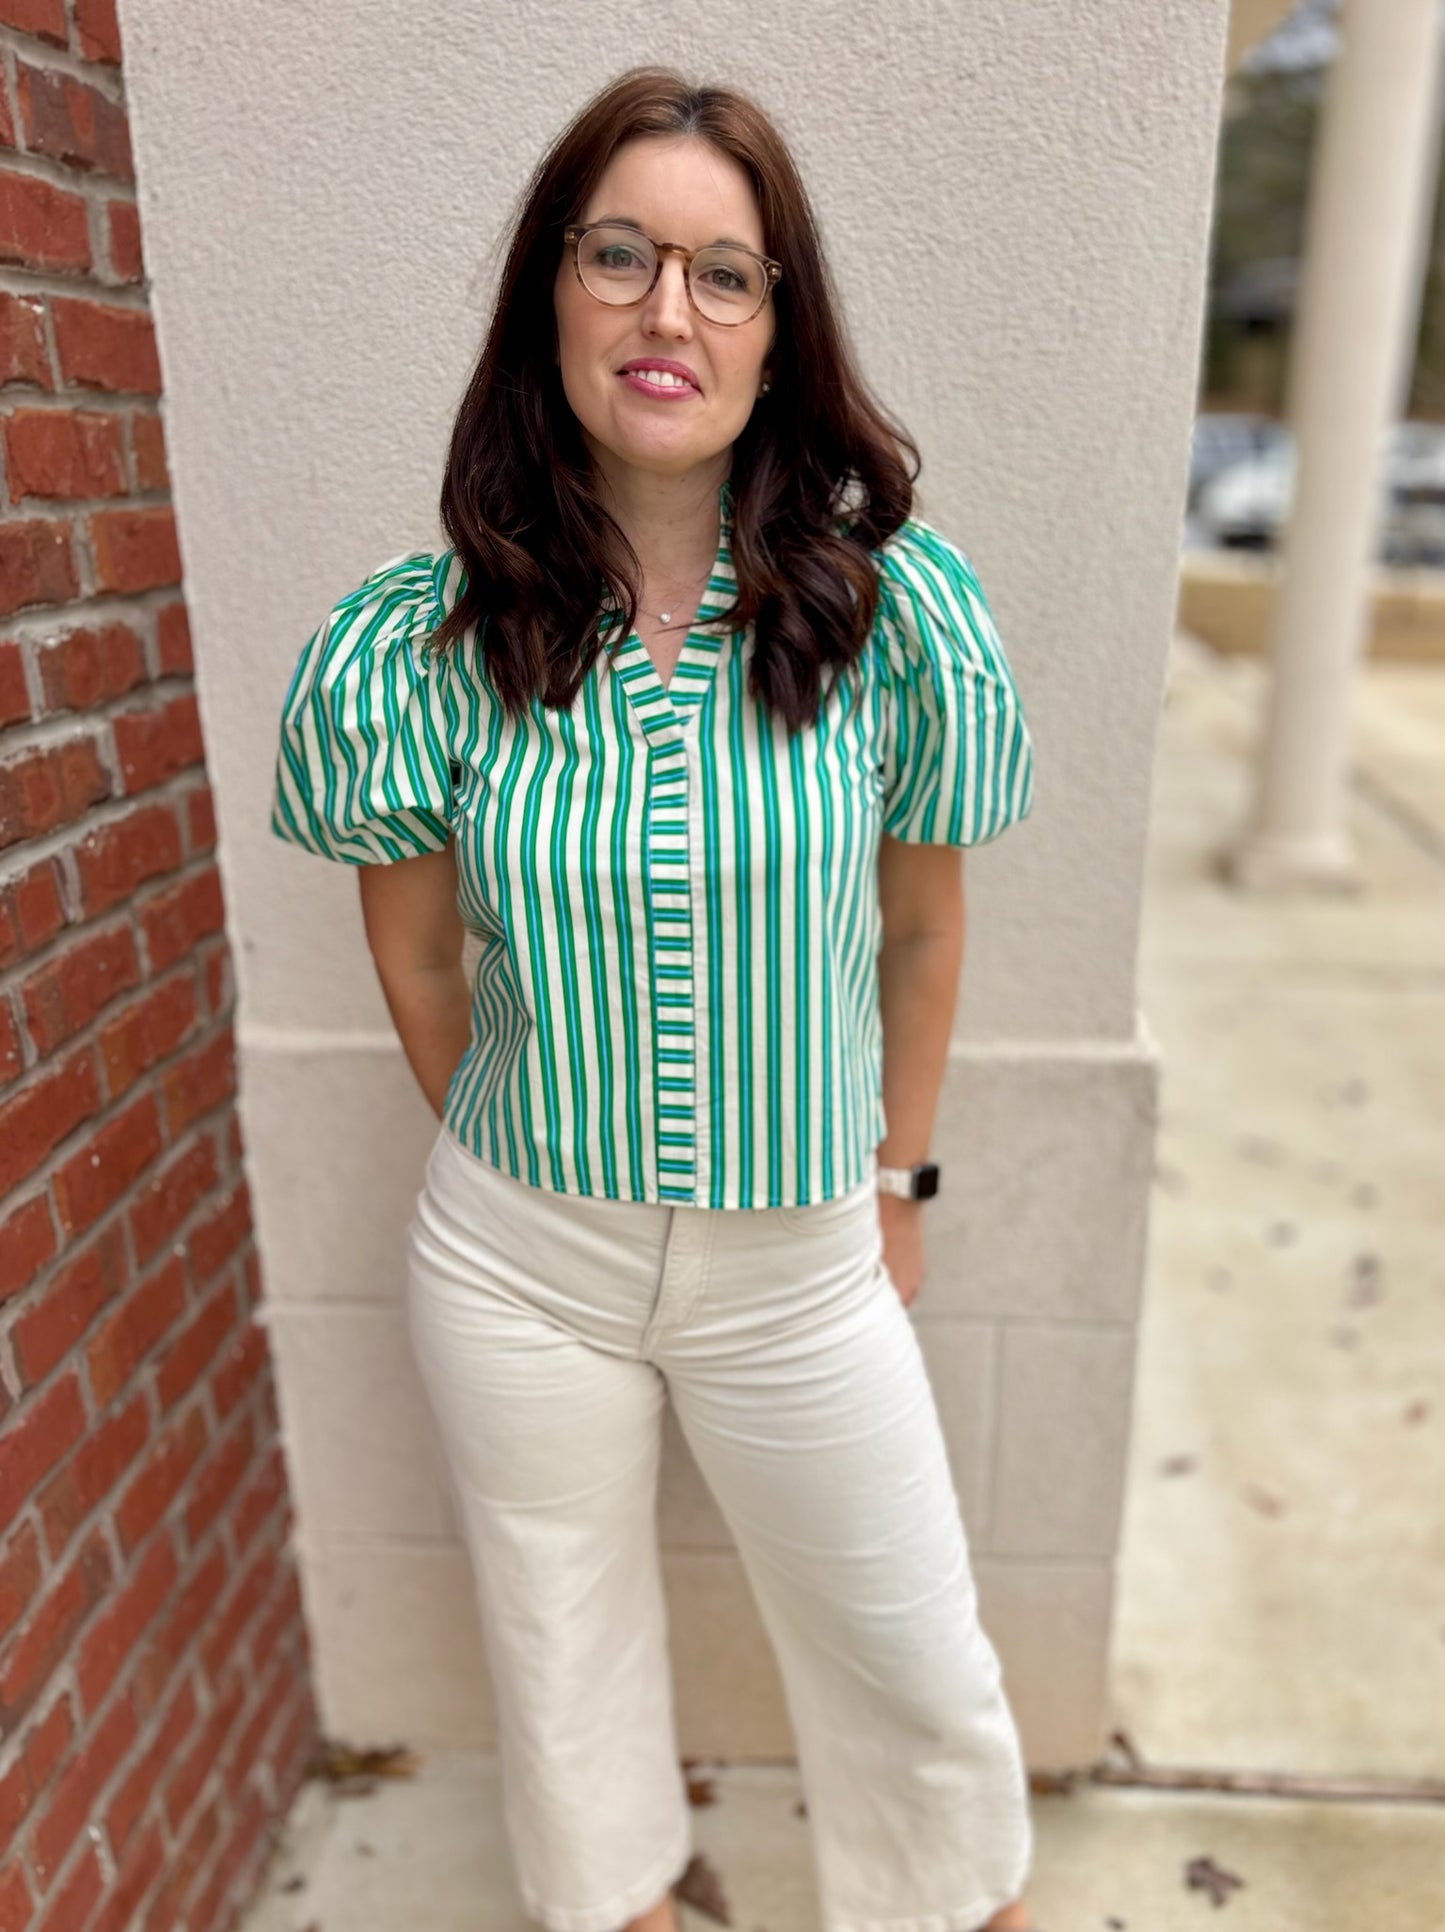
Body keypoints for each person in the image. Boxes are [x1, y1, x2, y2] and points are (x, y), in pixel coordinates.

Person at [271, 64, 1044, 1932]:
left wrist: (898, 1187)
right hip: (518, 1262)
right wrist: (532, 1159)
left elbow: (922, 932)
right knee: (561, 1657)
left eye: (724, 272)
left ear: (780, 335)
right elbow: (420, 950)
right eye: (619, 255)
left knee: (913, 1669)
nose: (664, 309)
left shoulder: (889, 613)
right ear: (553, 293)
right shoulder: (422, 637)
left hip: (801, 1263)